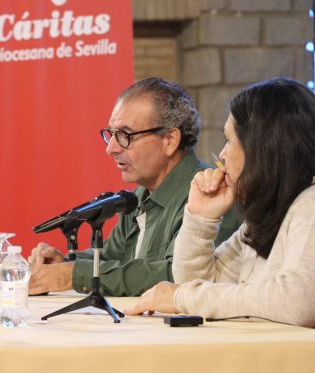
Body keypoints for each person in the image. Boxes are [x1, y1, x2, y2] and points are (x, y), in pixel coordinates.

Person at [125, 77, 315, 327]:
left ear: (260, 146)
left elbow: (297, 303)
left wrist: (183, 297)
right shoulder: (265, 216)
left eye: (228, 140)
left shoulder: (309, 204)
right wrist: (200, 219)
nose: (222, 155)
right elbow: (203, 284)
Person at [28, 77, 240, 296]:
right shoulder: (140, 195)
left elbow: (177, 276)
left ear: (170, 139)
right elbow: (114, 258)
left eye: (124, 135)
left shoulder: (212, 195)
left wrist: (72, 274)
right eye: (111, 134)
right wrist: (65, 263)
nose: (111, 149)